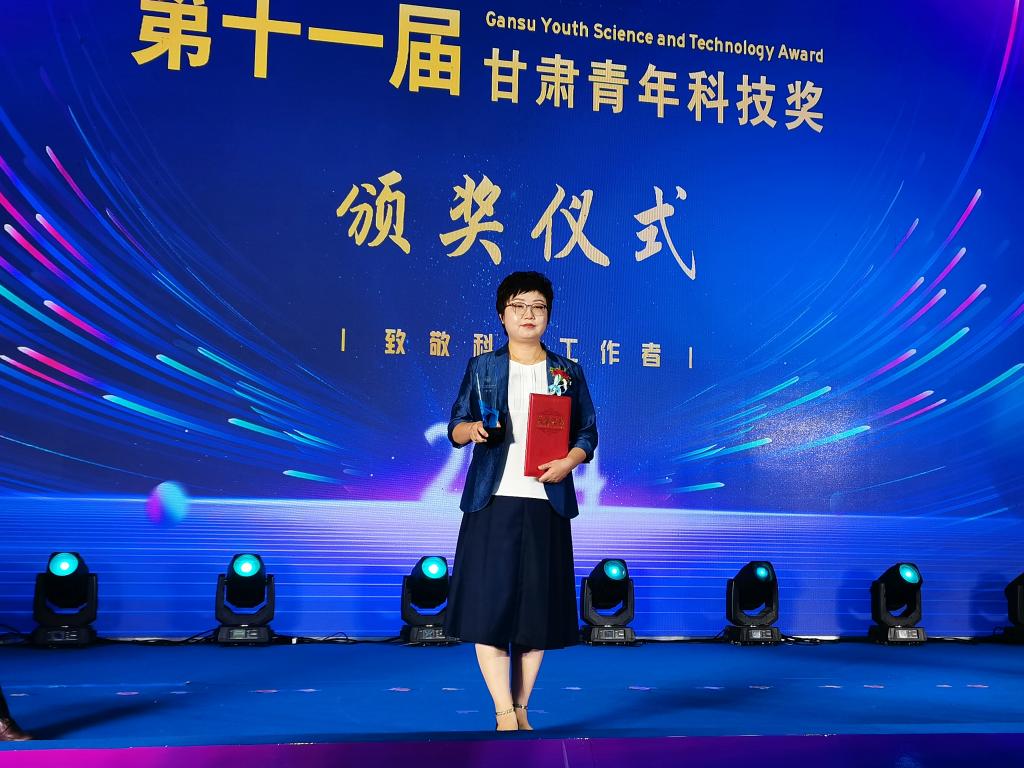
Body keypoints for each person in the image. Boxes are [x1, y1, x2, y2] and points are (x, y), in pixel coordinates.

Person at [446, 271, 598, 732]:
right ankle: (502, 712)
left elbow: (587, 433)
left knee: (535, 615)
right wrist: (472, 430)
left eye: (537, 306)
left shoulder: (566, 372)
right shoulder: (482, 367)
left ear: (548, 315)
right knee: (489, 613)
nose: (528, 314)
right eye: (518, 306)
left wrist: (569, 462)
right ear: (502, 315)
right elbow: (456, 426)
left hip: (545, 502)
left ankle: (523, 707)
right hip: (492, 502)